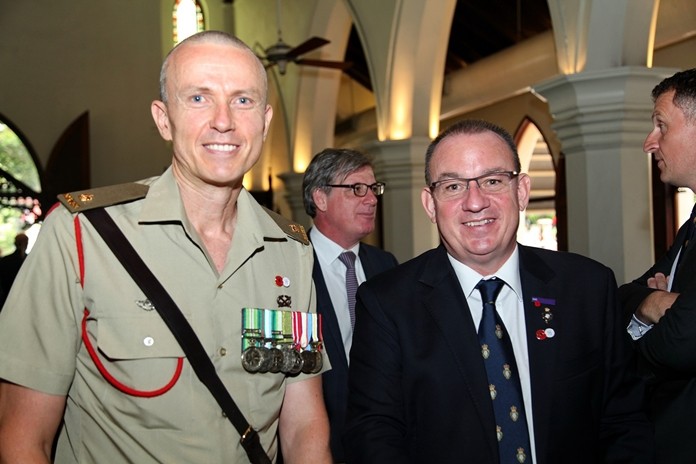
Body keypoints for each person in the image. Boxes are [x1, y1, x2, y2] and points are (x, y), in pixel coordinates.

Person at [0, 31, 331, 463]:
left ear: (265, 121)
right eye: (198, 98)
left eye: (243, 100)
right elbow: (24, 438)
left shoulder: (290, 251)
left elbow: (305, 424)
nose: (224, 120)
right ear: (163, 118)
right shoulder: (81, 236)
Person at [344, 119, 654, 463]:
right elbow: (374, 434)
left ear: (521, 191)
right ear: (430, 205)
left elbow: (624, 421)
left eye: (492, 181)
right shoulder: (387, 303)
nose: (475, 202)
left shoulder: (587, 288)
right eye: (452, 186)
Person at [619, 68, 696, 463]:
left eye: (661, 126)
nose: (650, 142)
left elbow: (681, 344)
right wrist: (656, 304)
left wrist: (665, 314)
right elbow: (623, 298)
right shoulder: (691, 225)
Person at [302, 148, 398, 462]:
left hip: (383, 438)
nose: (371, 199)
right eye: (357, 189)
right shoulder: (290, 267)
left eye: (374, 189)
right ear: (320, 198)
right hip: (318, 439)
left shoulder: (386, 266)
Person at [0, 232, 28, 308]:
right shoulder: (29, 261)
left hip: (6, 300)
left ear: (15, 243)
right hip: (24, 301)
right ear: (26, 244)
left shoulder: (5, 261)